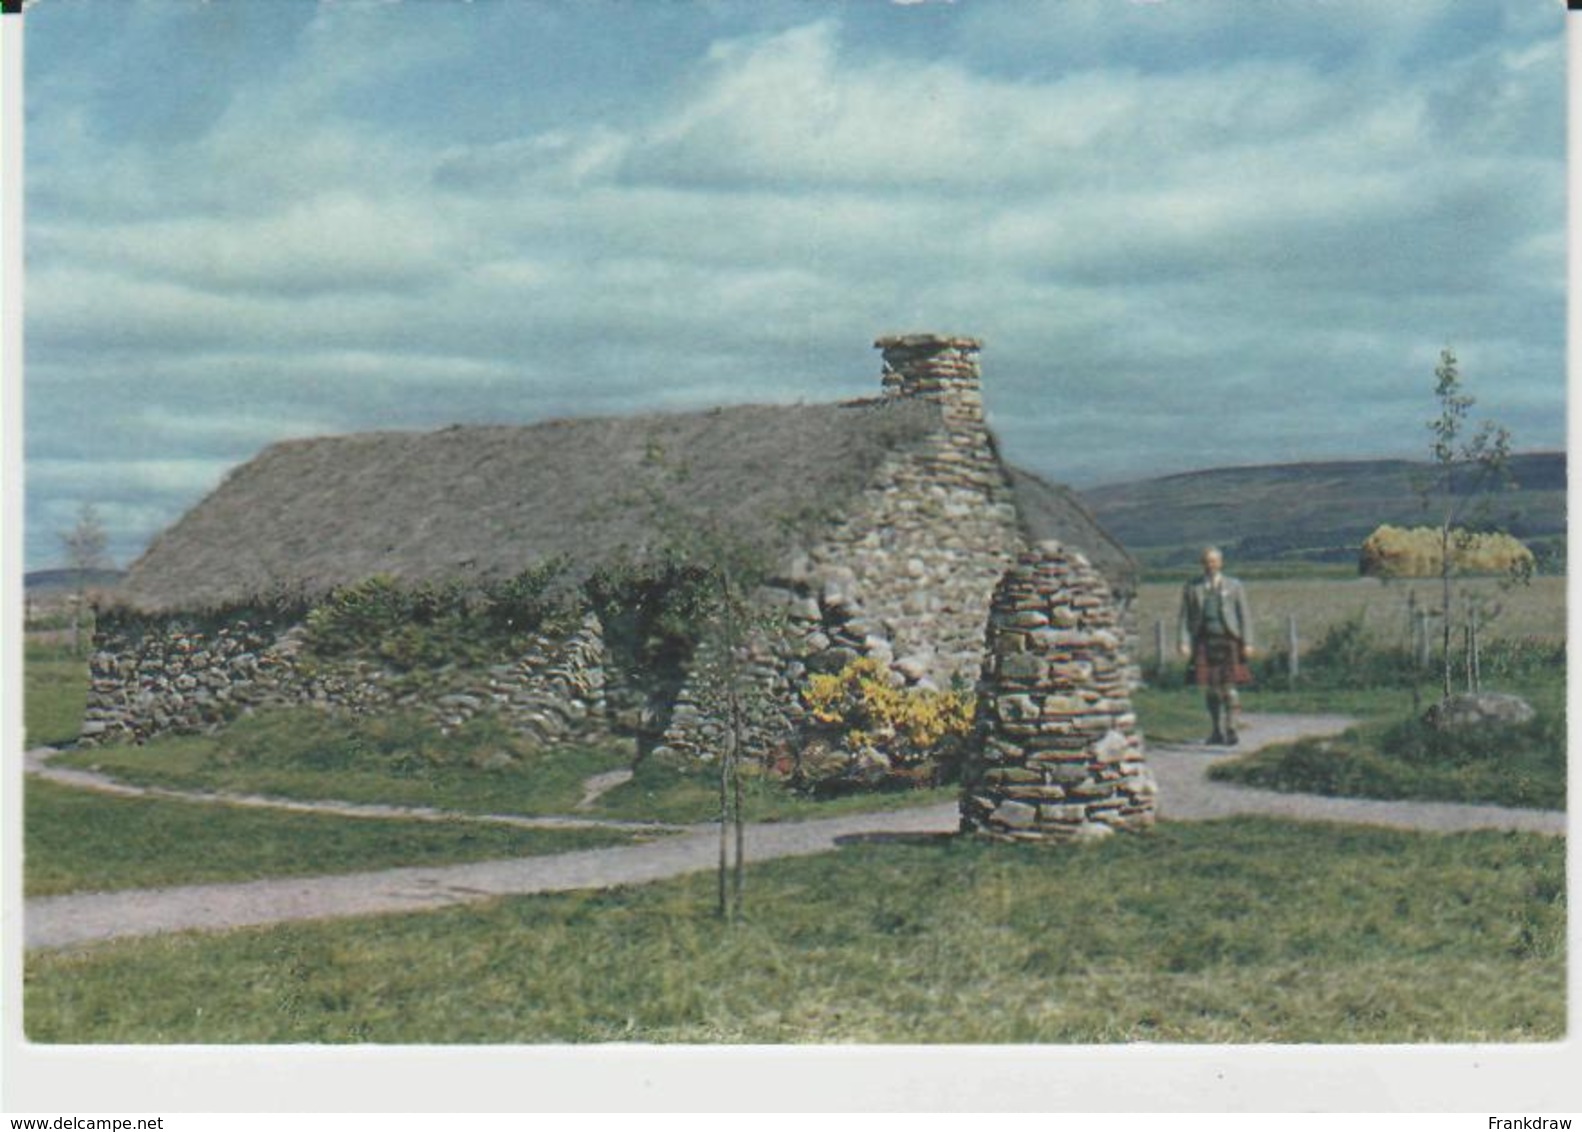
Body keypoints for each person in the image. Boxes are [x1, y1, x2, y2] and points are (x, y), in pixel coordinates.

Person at [1177, 546, 1255, 745]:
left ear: (1220, 563)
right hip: (1204, 641)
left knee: (1229, 687)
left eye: (1214, 561)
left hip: (1229, 640)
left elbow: (1244, 615)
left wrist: (1248, 642)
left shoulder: (1234, 585)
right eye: (1207, 561)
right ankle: (1216, 730)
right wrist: (1183, 642)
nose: (1210, 565)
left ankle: (1232, 727)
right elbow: (1184, 617)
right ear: (1202, 564)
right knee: (1212, 689)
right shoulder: (1192, 587)